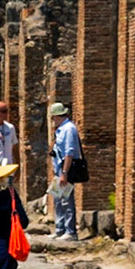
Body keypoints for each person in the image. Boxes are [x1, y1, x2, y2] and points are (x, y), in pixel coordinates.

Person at [47, 101, 80, 239]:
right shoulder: (61, 129)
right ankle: (60, 228)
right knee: (57, 198)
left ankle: (70, 231)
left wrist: (64, 173)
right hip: (59, 169)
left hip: (66, 170)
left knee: (66, 199)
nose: (52, 120)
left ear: (58, 116)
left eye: (53, 117)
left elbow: (69, 153)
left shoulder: (69, 129)